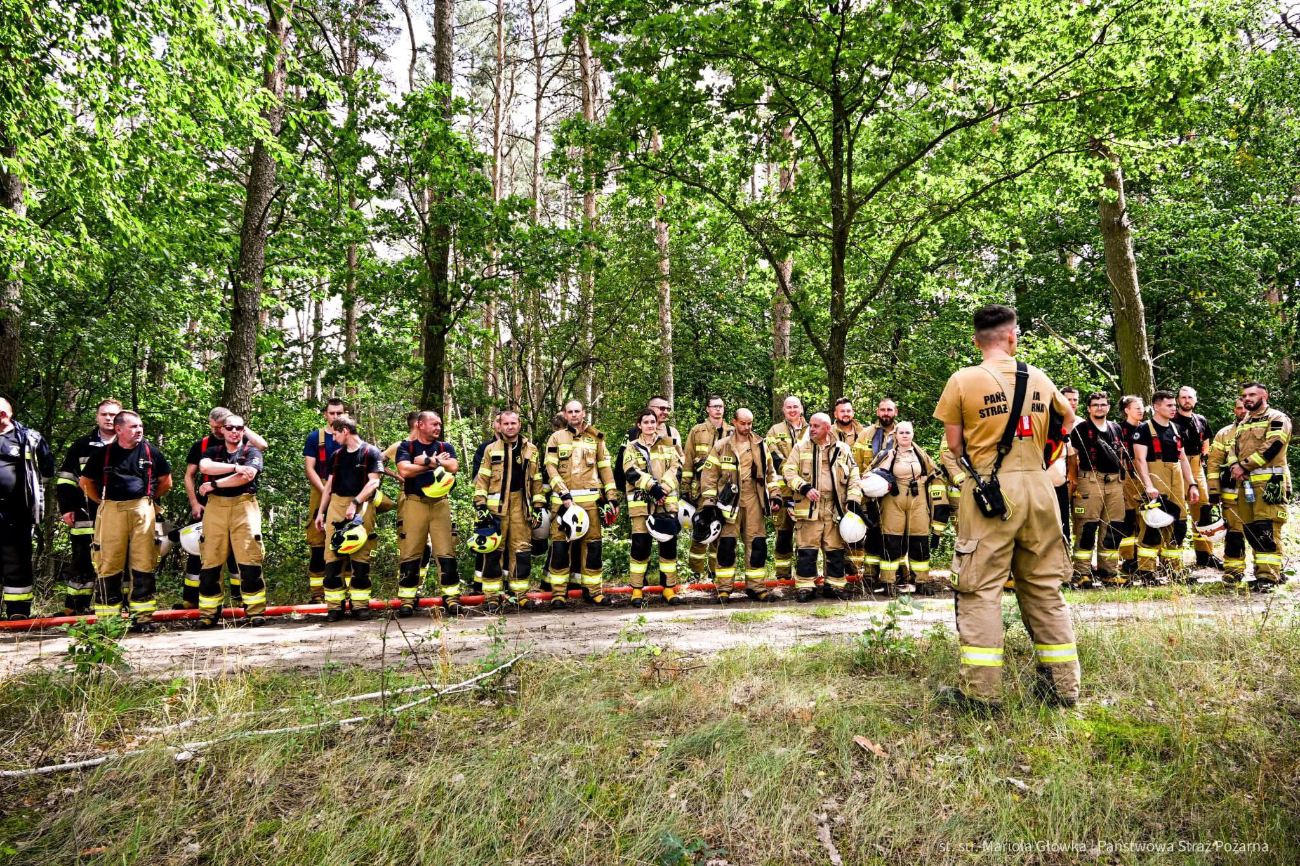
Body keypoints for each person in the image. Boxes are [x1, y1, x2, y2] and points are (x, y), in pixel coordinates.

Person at [934, 304, 1079, 712]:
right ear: (1012, 337)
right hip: (1039, 487)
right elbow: (1068, 422)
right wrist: (1041, 458)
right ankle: (1063, 688)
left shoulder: (963, 380)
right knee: (1044, 588)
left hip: (990, 492)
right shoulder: (1038, 376)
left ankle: (980, 695)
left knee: (980, 590)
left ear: (977, 340)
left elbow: (955, 445)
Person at [80, 410, 172, 632]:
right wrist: (103, 503)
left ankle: (143, 618)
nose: (139, 430)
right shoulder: (103, 454)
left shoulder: (151, 452)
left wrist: (148, 502)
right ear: (119, 429)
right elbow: (86, 482)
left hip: (143, 509)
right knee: (108, 561)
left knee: (144, 561)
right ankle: (108, 620)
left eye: (140, 426)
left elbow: (166, 482)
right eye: (133, 427)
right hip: (111, 509)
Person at [180, 407, 268, 609]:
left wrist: (240, 427)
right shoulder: (204, 446)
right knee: (205, 554)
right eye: (214, 427)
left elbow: (262, 446)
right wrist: (195, 502)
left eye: (221, 427)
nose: (217, 431)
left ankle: (242, 602)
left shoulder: (245, 444)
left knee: (243, 554)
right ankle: (194, 601)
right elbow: (192, 474)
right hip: (210, 504)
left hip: (241, 504)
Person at [698, 407, 781, 602]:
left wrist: (775, 495)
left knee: (757, 544)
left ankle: (757, 588)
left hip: (754, 498)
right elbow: (709, 476)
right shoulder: (722, 445)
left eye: (749, 423)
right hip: (728, 502)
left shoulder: (761, 445)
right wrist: (709, 502)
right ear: (734, 422)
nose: (746, 427)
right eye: (742, 423)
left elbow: (770, 473)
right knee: (726, 545)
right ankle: (724, 589)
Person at [544, 400, 618, 607]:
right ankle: (558, 594)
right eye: (570, 411)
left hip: (591, 502)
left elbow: (605, 469)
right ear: (565, 415)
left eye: (578, 411)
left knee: (593, 549)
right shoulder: (556, 437)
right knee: (560, 549)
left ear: (583, 413)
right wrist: (563, 492)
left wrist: (612, 496)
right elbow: (551, 468)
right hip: (563, 502)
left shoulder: (596, 437)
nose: (574, 414)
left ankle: (594, 591)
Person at [782, 412, 863, 602]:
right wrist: (804, 487)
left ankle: (834, 585)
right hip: (809, 506)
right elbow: (788, 472)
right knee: (807, 548)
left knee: (835, 548)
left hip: (835, 507)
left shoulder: (842, 449)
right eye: (810, 425)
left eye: (816, 426)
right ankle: (805, 587)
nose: (811, 429)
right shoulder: (800, 448)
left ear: (827, 428)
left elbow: (854, 475)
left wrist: (852, 499)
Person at [473, 409, 546, 610]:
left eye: (513, 423)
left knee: (521, 550)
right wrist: (480, 505)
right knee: (494, 551)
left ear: (519, 425)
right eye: (506, 424)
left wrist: (538, 507)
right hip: (496, 508)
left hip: (521, 507)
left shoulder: (531, 449)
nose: (510, 427)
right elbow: (482, 479)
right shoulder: (491, 449)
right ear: (500, 426)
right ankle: (492, 597)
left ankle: (520, 594)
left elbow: (537, 481)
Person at [314, 415, 382, 621]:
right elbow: (329, 486)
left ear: (345, 431)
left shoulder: (370, 452)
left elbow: (373, 483)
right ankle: (334, 607)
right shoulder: (336, 455)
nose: (333, 438)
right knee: (332, 557)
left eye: (335, 434)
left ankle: (360, 606)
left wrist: (355, 503)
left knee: (360, 556)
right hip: (336, 505)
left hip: (361, 506)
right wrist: (321, 512)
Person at [866, 421, 948, 593]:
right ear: (895, 435)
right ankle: (888, 583)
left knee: (920, 540)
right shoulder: (887, 453)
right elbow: (872, 474)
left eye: (907, 432)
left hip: (918, 499)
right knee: (891, 541)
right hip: (893, 499)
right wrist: (888, 459)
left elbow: (934, 473)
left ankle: (922, 582)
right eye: (901, 432)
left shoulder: (920, 454)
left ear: (913, 434)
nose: (904, 435)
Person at [54, 398, 119, 615]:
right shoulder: (81, 445)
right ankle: (75, 607)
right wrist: (66, 508)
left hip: (120, 514)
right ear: (97, 417)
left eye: (113, 415)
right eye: (104, 414)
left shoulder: (133, 444)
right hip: (85, 513)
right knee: (82, 560)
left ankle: (116, 604)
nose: (109, 418)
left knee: (120, 559)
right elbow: (66, 480)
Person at [395, 411, 461, 615]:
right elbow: (404, 471)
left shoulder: (445, 447)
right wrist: (434, 463)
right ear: (420, 425)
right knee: (411, 552)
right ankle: (407, 598)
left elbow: (454, 466)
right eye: (434, 424)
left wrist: (427, 461)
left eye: (440, 424)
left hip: (440, 504)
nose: (438, 428)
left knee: (446, 551)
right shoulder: (407, 447)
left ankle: (451, 597)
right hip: (415, 503)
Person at [1131, 390, 1199, 584]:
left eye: (1173, 405)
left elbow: (1183, 459)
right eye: (1169, 405)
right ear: (1156, 406)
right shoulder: (1143, 429)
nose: (1173, 409)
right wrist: (1148, 485)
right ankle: (1146, 571)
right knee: (1153, 525)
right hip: (1155, 477)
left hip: (1176, 479)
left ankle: (1174, 570)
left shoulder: (1177, 429)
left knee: (1179, 525)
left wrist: (1192, 484)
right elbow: (1139, 460)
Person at [1229, 382, 1291, 591]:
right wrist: (1234, 466)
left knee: (1267, 529)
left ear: (1265, 395)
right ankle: (1261, 574)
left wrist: (1243, 466)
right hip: (1246, 485)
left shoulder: (1277, 418)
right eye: (1245, 395)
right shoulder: (1244, 421)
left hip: (1271, 483)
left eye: (1252, 394)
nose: (1247, 398)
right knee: (1251, 529)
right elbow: (1232, 449)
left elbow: (1272, 446)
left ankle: (1269, 577)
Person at [621, 409, 683, 607]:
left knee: (668, 547)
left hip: (666, 504)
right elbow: (630, 471)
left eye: (652, 422)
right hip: (641, 505)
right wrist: (652, 488)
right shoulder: (631, 447)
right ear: (639, 425)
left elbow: (677, 468)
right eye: (646, 422)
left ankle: (668, 589)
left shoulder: (669, 444)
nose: (650, 425)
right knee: (640, 547)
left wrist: (663, 489)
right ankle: (637, 591)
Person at [0, 398, 54, 621]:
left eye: (3, 411)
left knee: (17, 560)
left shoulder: (30, 438)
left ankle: (18, 613)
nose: (0, 416)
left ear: (10, 413)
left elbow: (48, 470)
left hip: (17, 511)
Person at [1067, 392, 1126, 587]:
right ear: (1089, 409)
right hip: (1089, 480)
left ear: (1108, 407)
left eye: (1103, 404)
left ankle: (1108, 572)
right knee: (1087, 527)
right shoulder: (1081, 429)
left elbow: (1122, 455)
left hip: (1115, 482)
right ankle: (1082, 572)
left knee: (1112, 527)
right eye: (1095, 405)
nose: (1099, 407)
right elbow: (1073, 458)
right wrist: (1074, 481)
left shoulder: (1116, 428)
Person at [682, 396, 732, 581]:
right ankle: (695, 573)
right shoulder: (697, 431)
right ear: (707, 409)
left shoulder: (732, 431)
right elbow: (688, 461)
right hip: (702, 491)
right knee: (701, 529)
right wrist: (685, 488)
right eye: (714, 406)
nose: (718, 410)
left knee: (721, 531)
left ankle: (714, 572)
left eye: (721, 406)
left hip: (726, 492)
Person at [303, 398, 347, 602]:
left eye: (339, 413)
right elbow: (309, 468)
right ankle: (317, 593)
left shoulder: (352, 437)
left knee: (348, 537)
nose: (335, 417)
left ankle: (347, 590)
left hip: (346, 491)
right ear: (326, 414)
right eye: (332, 413)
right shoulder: (315, 437)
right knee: (317, 540)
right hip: (320, 489)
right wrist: (324, 491)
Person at [1172, 386, 1219, 570]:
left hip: (1197, 465)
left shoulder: (1200, 420)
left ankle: (1206, 555)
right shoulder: (1171, 420)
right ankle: (1172, 559)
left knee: (1203, 510)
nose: (1186, 400)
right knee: (1176, 512)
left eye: (1190, 397)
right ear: (1177, 400)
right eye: (1183, 397)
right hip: (1176, 467)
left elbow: (1206, 441)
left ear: (1195, 400)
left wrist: (1202, 459)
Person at [857, 399, 900, 591]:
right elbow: (855, 462)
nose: (885, 413)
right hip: (870, 493)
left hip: (894, 494)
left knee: (892, 533)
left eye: (889, 410)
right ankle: (870, 574)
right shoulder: (866, 434)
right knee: (872, 533)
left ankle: (896, 575)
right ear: (877, 411)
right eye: (882, 410)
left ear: (895, 412)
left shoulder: (903, 432)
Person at [764, 395, 808, 583]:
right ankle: (783, 577)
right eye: (788, 407)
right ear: (783, 410)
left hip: (805, 491)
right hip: (783, 492)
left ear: (801, 408)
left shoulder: (810, 429)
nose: (792, 410)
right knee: (783, 533)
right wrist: (794, 472)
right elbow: (774, 457)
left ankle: (804, 573)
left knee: (806, 534)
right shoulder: (774, 430)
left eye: (795, 407)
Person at [1208, 398, 1248, 582]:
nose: (1243, 411)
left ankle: (1268, 572)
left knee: (1261, 531)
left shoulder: (1266, 430)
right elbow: (1214, 463)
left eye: (1245, 407)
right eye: (1239, 408)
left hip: (1258, 491)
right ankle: (1233, 571)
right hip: (1231, 494)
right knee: (1234, 533)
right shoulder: (1224, 434)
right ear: (1234, 410)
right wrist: (1214, 490)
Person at [830, 398, 868, 586]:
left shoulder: (864, 433)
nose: (846, 414)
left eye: (848, 411)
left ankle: (856, 573)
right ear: (835, 414)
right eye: (842, 411)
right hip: (834, 490)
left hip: (859, 489)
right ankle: (836, 573)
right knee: (835, 534)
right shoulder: (826, 432)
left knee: (857, 532)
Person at [1116, 395, 1146, 576]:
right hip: (1127, 477)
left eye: (1142, 407)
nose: (1141, 411)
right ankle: (1128, 559)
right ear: (1127, 410)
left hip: (1145, 477)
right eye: (1137, 408)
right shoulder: (1119, 429)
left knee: (1145, 517)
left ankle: (1147, 558)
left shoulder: (1146, 428)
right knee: (1128, 517)